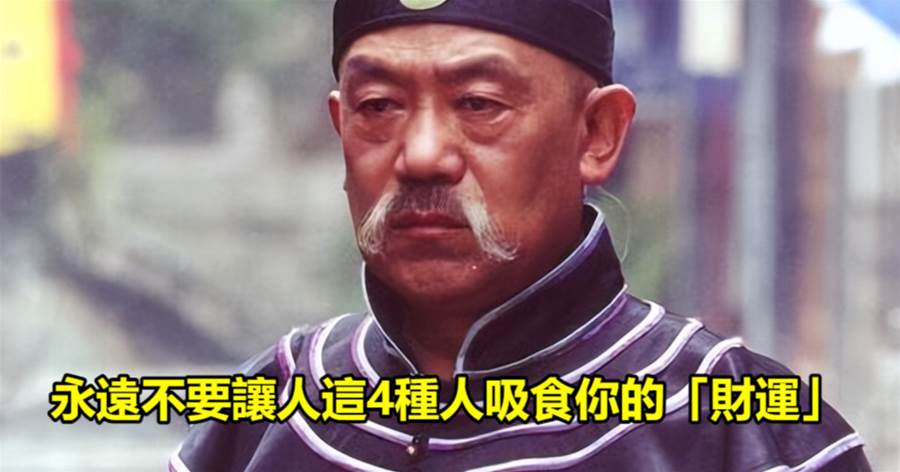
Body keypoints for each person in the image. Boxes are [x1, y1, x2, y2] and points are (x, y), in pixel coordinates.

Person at [171, 1, 870, 470]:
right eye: (378, 106)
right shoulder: (267, 414)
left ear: (597, 135)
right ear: (339, 127)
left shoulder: (741, 430)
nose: (421, 155)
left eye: (479, 103)